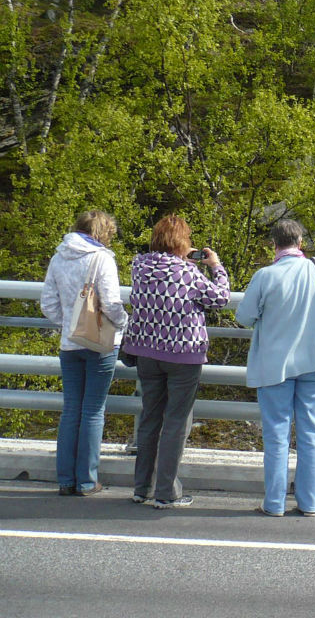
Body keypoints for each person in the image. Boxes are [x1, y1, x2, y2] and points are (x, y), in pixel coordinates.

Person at [235, 219, 315, 517]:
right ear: (300, 242)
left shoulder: (265, 275)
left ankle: (274, 503)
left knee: (277, 435)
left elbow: (244, 317)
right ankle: (310, 502)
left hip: (274, 366)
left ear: (274, 244)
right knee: (312, 434)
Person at [121, 214, 229, 508]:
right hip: (183, 355)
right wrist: (215, 267)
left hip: (146, 353)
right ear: (184, 242)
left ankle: (141, 488)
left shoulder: (139, 266)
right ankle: (166, 493)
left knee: (150, 418)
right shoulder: (189, 273)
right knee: (176, 423)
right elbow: (220, 298)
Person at [40, 210, 128, 497]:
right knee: (92, 411)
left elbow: (47, 304)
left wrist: (68, 325)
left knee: (71, 411)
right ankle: (87, 481)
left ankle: (66, 480)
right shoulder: (102, 258)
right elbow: (113, 303)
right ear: (103, 233)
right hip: (100, 344)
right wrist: (124, 324)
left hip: (70, 344)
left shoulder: (59, 257)